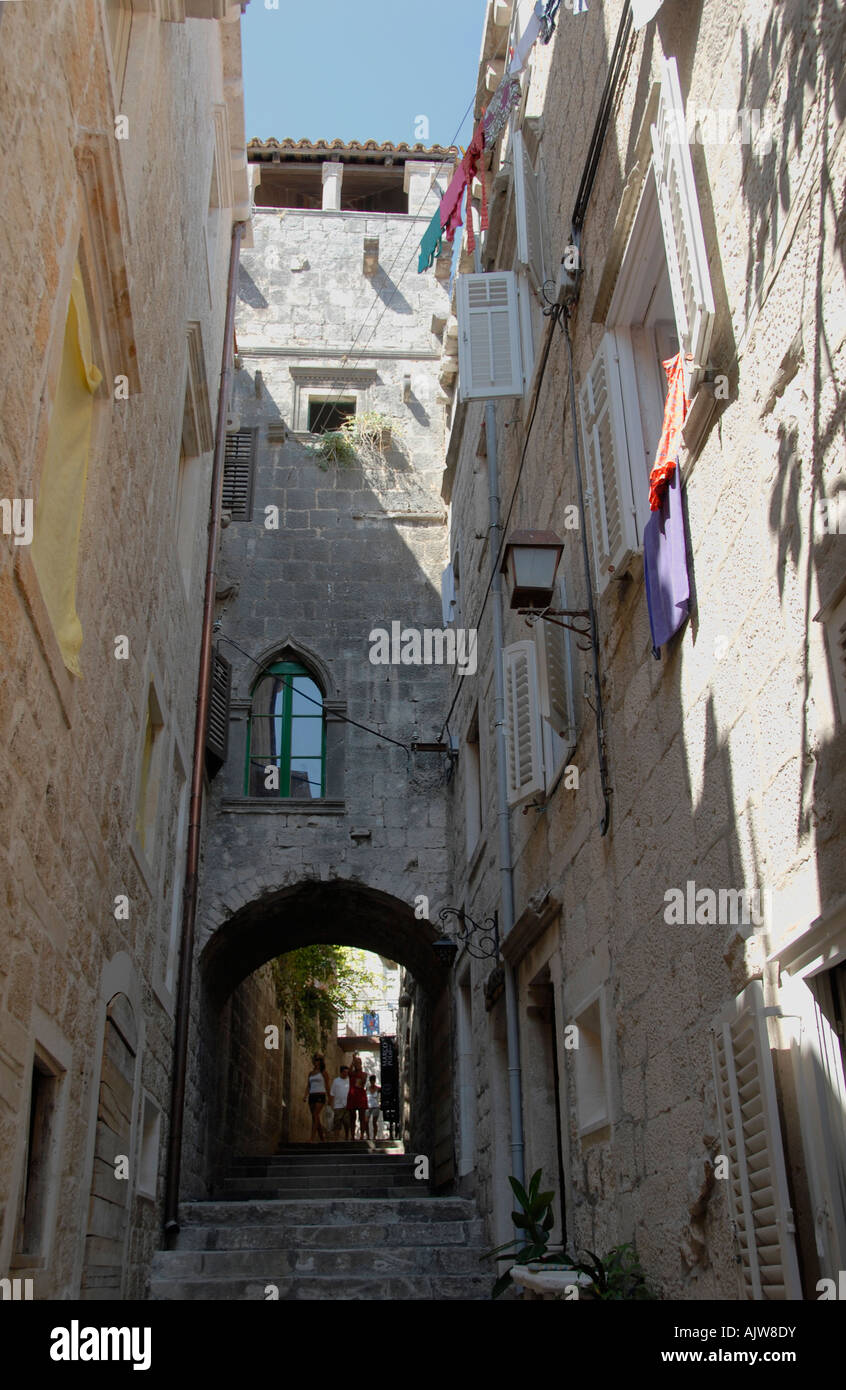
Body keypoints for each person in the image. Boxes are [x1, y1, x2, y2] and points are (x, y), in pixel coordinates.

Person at [304, 1054, 330, 1143]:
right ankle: (322, 1137)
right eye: (315, 1060)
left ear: (321, 1061)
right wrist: (305, 1095)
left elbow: (327, 1086)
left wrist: (330, 1098)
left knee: (315, 1115)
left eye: (318, 1060)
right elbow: (308, 1085)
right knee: (315, 1117)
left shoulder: (324, 1073)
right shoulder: (311, 1073)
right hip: (312, 1095)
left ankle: (312, 1137)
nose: (316, 1061)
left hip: (320, 1095)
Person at [346, 1053, 368, 1142]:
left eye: (359, 1063)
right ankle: (352, 1136)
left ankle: (362, 1135)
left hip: (360, 1095)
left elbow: (361, 1082)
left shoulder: (364, 1074)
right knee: (352, 1117)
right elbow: (349, 1072)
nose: (358, 1064)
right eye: (356, 1063)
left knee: (362, 1116)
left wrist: (358, 1071)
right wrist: (353, 1061)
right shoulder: (351, 1073)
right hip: (352, 1095)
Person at [330, 1064, 350, 1141]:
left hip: (347, 1105)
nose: (346, 1074)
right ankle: (336, 1139)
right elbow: (332, 1093)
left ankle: (347, 1137)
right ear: (341, 1072)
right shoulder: (336, 1081)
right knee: (337, 1123)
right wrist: (331, 1104)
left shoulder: (349, 1081)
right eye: (345, 1072)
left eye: (347, 1072)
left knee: (347, 1123)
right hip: (338, 1105)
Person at [366, 1074, 382, 1141]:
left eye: (373, 1080)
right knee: (366, 1121)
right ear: (370, 1081)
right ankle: (368, 1136)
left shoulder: (378, 1088)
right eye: (371, 1081)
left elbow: (383, 1095)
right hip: (368, 1106)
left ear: (375, 1081)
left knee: (374, 1122)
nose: (372, 1082)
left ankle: (374, 1137)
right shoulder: (367, 1088)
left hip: (375, 1106)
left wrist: (381, 1102)